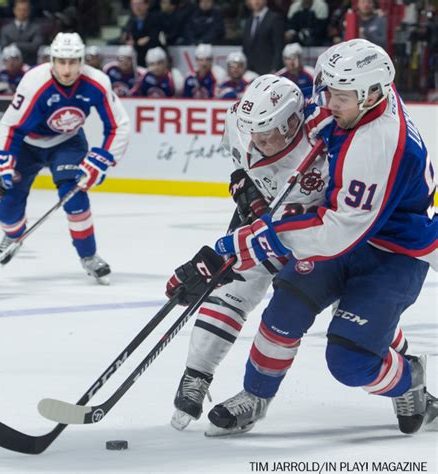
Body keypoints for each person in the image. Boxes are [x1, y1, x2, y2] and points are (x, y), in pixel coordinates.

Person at [206, 39, 437, 436]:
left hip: (393, 252)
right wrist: (252, 173)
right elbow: (311, 127)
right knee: (285, 309)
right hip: (353, 231)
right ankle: (256, 395)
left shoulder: (377, 142)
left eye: (340, 96)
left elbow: (335, 232)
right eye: (327, 90)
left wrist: (251, 241)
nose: (329, 103)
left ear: (371, 95)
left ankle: (408, 377)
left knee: (351, 362)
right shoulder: (363, 98)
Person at [166, 73, 411, 433]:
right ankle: (197, 376)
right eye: (255, 131)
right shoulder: (241, 121)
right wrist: (243, 186)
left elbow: (339, 214)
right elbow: (238, 155)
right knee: (232, 287)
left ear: (294, 120)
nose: (259, 140)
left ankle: (404, 378)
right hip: (264, 222)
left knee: (355, 314)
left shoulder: (325, 137)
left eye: (268, 133)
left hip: (312, 234)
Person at [0, 33, 130, 284]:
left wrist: (102, 159)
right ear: (52, 59)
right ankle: (14, 234)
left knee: (76, 198)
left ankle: (89, 256)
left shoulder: (97, 82)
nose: (67, 69)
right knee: (7, 205)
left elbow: (119, 125)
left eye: (73, 61)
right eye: (61, 61)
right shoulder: (34, 81)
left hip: (67, 143)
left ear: (82, 60)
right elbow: (11, 126)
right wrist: (2, 161)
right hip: (27, 146)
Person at [242, 0, 285, 75]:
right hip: (250, 72)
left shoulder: (275, 18)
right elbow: (246, 48)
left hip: (269, 71)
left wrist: (274, 69)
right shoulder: (248, 21)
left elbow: (279, 47)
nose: (256, 1)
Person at [0, 0, 44, 65]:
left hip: (30, 64)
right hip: (12, 67)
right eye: (19, 10)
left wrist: (16, 45)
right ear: (14, 10)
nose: (22, 13)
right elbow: (3, 49)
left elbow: (35, 47)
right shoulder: (6, 29)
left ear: (29, 11)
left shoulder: (36, 28)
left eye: (24, 10)